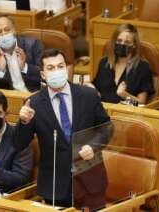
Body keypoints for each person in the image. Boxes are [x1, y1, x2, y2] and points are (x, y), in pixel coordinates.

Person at [16, 49, 111, 210]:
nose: (57, 71)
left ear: (67, 69)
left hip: (90, 180)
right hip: (54, 186)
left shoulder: (88, 95)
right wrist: (24, 122)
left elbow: (106, 128)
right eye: (51, 68)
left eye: (60, 66)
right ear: (43, 75)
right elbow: (20, 143)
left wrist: (93, 147)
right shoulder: (34, 103)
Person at [91, 24, 155, 104]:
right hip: (103, 111)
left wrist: (124, 95)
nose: (122, 44)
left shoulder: (142, 67)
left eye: (127, 42)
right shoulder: (104, 63)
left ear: (134, 45)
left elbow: (141, 102)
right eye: (119, 41)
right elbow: (98, 91)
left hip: (125, 114)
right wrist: (90, 88)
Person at [0, 14, 43, 92]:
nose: (4, 34)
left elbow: (45, 75)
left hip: (33, 94)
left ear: (14, 30)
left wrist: (24, 67)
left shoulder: (33, 45)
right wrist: (0, 70)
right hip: (9, 97)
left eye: (7, 29)